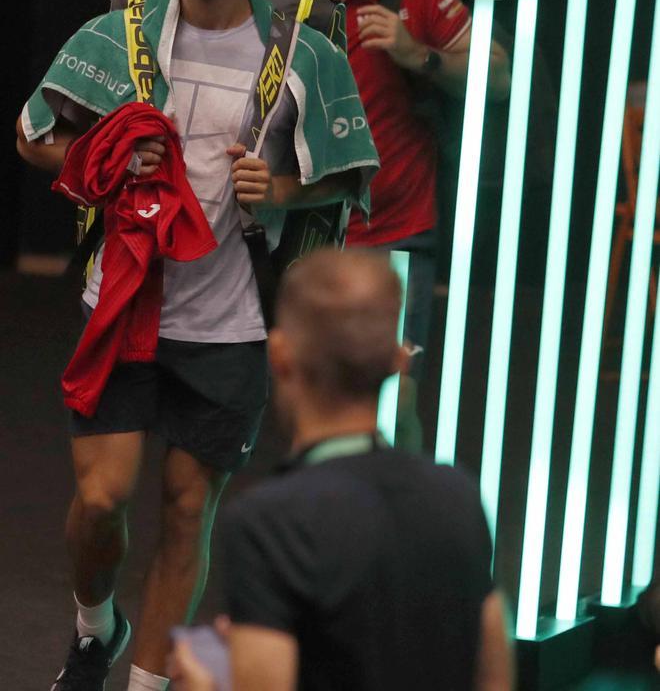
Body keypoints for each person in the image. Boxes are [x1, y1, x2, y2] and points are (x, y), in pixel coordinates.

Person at [16, 0, 378, 691]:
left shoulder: (302, 51)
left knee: (188, 512)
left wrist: (280, 187)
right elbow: (33, 136)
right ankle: (95, 627)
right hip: (124, 305)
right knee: (102, 503)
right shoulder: (126, 29)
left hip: (235, 326)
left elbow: (354, 172)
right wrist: (102, 162)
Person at [168, 249, 513, 691]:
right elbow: (494, 676)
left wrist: (205, 683)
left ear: (280, 355)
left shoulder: (267, 524)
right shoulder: (458, 496)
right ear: (399, 360)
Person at [266, 0, 511, 448]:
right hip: (303, 238)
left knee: (393, 410)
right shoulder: (265, 7)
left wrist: (418, 53)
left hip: (396, 235)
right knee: (312, 407)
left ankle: (405, 530)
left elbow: (500, 75)